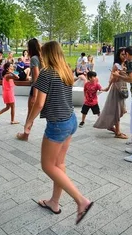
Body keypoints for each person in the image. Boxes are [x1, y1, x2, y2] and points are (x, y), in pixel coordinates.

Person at [21, 41, 94, 224]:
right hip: (70, 120)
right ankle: (54, 202)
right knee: (59, 164)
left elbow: (39, 103)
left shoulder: (47, 73)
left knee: (48, 166)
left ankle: (81, 201)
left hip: (58, 125)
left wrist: (28, 122)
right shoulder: (65, 71)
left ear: (47, 54)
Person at [93, 48, 128, 139]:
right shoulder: (117, 65)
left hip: (122, 88)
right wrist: (116, 77)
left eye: (125, 54)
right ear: (118, 55)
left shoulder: (125, 64)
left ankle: (111, 126)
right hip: (117, 89)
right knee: (117, 110)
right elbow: (112, 79)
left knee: (120, 110)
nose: (124, 56)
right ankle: (118, 132)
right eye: (122, 54)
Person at [17, 38, 41, 141]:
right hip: (44, 88)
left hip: (36, 89)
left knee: (30, 113)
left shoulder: (34, 59)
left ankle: (25, 134)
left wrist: (34, 95)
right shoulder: (42, 57)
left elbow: (36, 76)